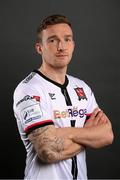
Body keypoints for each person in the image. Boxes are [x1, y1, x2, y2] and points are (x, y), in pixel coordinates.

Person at [13, 14, 114, 180]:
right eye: (52, 40)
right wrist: (88, 134)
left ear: (73, 45)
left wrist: (64, 133)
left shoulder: (82, 87)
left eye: (67, 39)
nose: (61, 46)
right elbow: (48, 151)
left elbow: (107, 135)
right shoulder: (29, 89)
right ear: (39, 48)